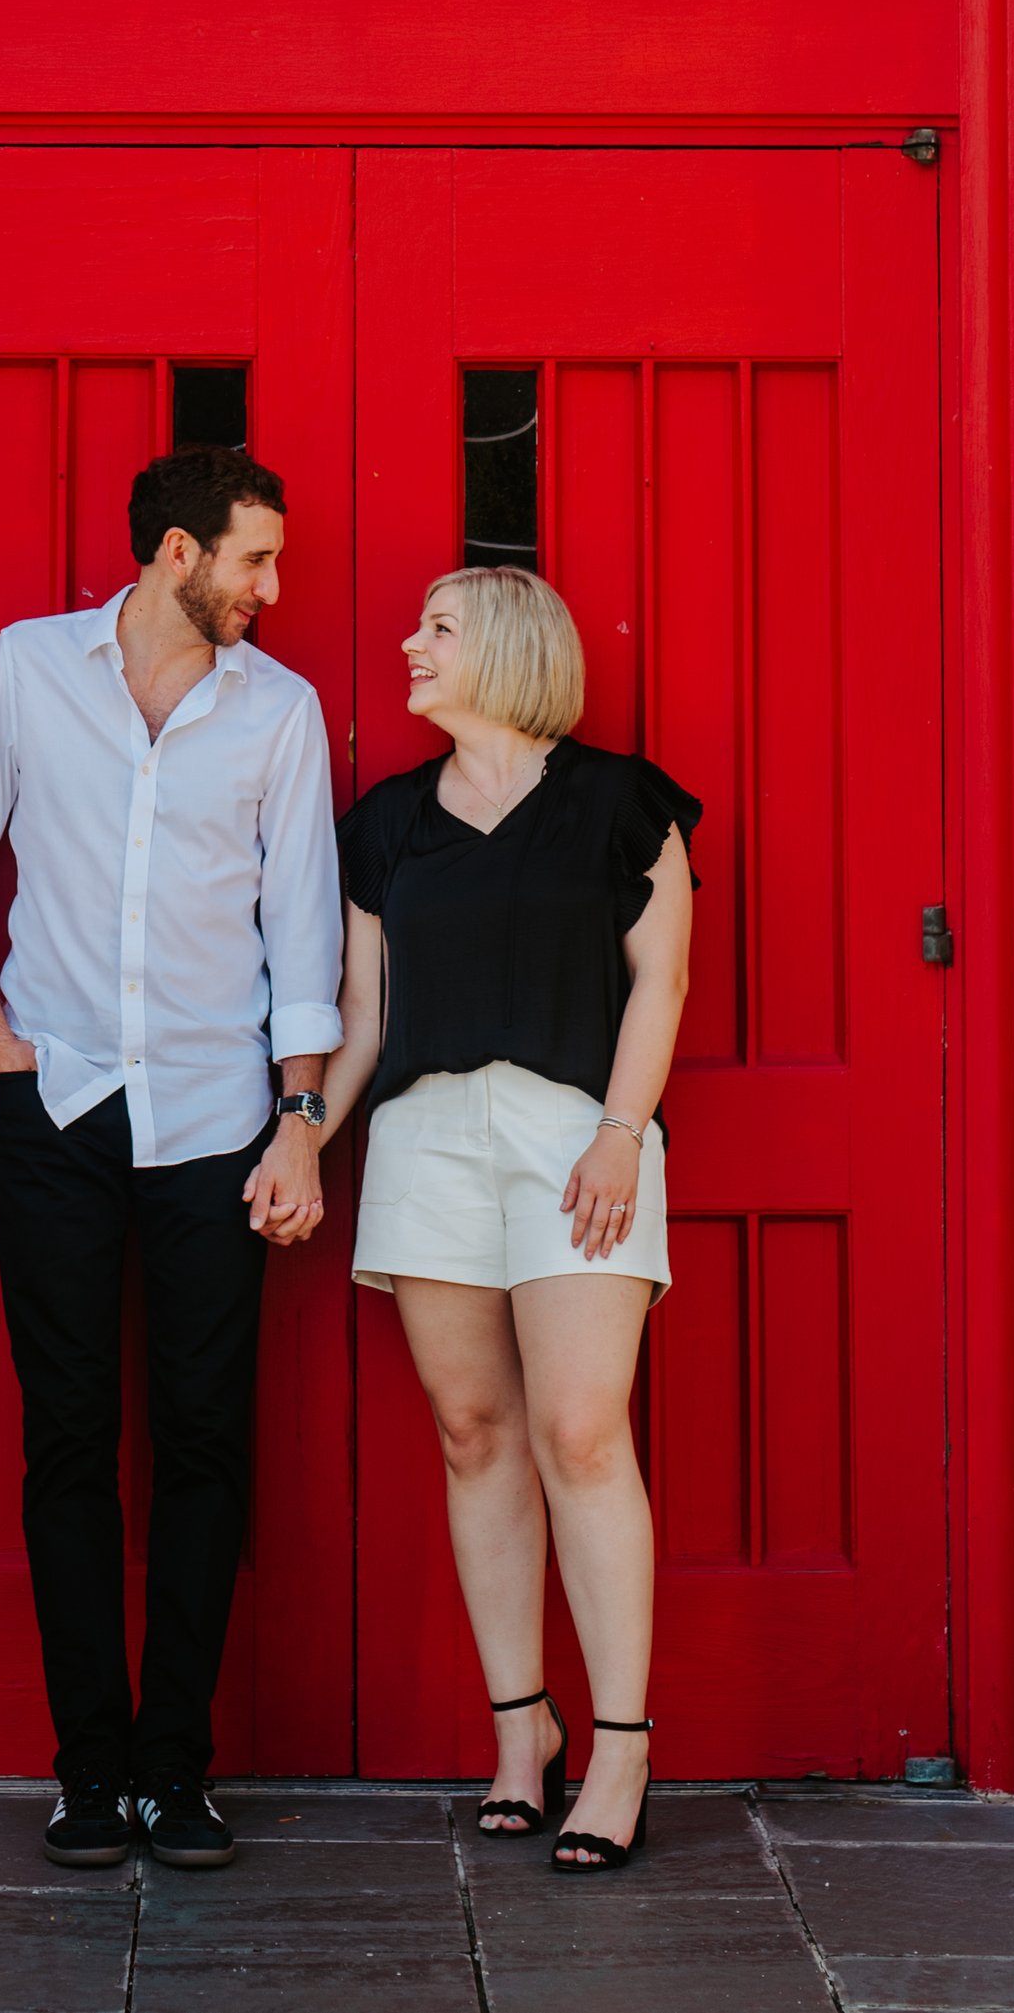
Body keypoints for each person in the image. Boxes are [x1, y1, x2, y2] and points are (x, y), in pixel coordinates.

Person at [0, 443, 342, 1872]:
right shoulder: (31, 669)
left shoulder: (281, 712)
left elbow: (305, 929)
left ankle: (176, 1769)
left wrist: (298, 1114)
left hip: (217, 1124)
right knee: (69, 1440)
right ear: (177, 552)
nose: (273, 587)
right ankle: (88, 1771)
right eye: (255, 559)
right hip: (60, 1112)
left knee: (206, 1445)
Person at [315, 568, 697, 1875]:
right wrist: (303, 1129)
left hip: (572, 1135)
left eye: (438, 627)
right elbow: (363, 1021)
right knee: (475, 1431)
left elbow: (661, 982)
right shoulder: (384, 829)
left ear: (513, 650)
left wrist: (616, 1131)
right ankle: (520, 1731)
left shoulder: (618, 805)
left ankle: (624, 1743)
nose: (408, 642)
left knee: (581, 1431)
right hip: (427, 1137)